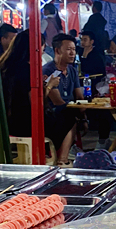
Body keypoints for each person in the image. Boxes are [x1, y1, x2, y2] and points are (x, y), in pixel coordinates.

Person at [0, 30, 61, 146]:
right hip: (26, 123)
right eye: (42, 46)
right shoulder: (28, 70)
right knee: (69, 116)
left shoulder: (5, 66)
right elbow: (35, 101)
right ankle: (60, 155)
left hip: (6, 121)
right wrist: (50, 85)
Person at [42, 33, 83, 164]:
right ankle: (63, 159)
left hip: (69, 109)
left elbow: (79, 95)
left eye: (74, 49)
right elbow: (57, 101)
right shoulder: (48, 70)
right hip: (52, 113)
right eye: (68, 49)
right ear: (57, 50)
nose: (72, 53)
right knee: (69, 114)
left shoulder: (72, 71)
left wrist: (84, 113)